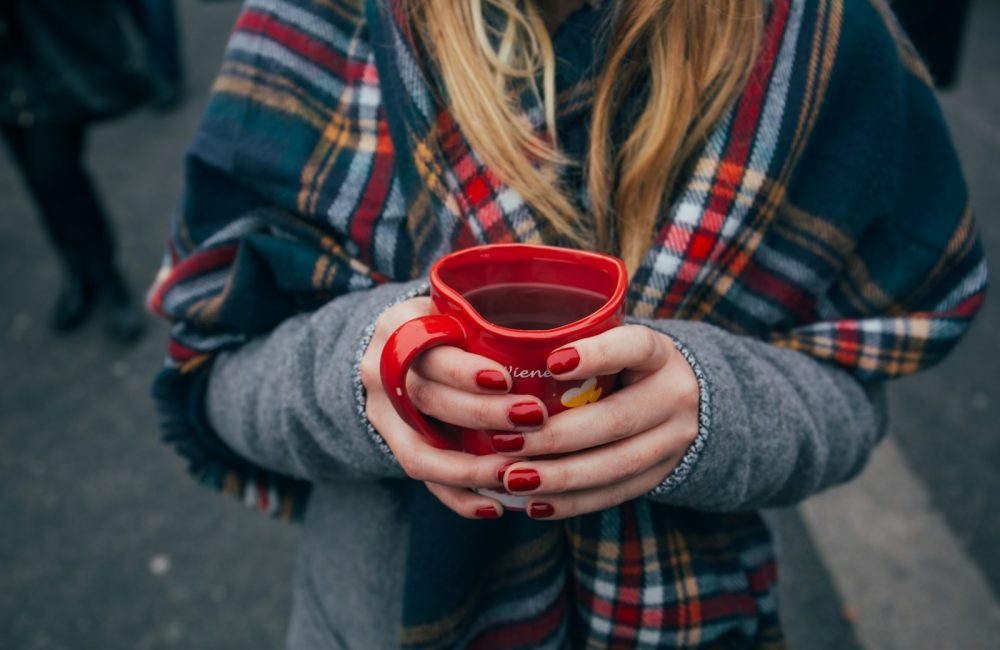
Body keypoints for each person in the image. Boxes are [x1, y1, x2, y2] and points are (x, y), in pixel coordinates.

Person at [148, 0, 986, 647]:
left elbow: (853, 393)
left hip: (686, 619)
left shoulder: (817, 38)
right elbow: (217, 371)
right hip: (375, 620)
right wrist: (367, 369)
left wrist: (712, 409)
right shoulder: (322, 20)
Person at [1, 0, 147, 342]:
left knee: (57, 172)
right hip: (8, 79)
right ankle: (77, 271)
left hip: (45, 58)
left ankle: (107, 276)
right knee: (38, 182)